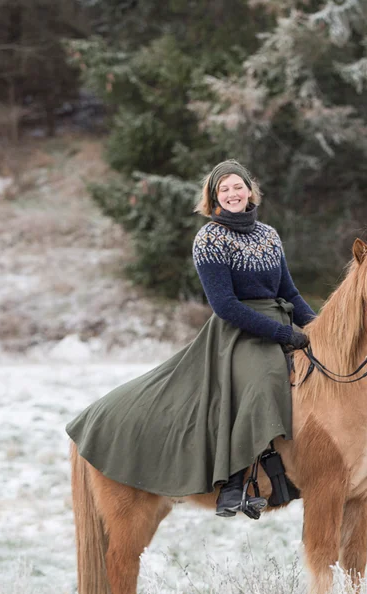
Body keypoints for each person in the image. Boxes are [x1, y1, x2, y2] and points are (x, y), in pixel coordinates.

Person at [65, 159, 316, 519]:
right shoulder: (209, 239)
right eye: (224, 189)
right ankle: (234, 482)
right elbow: (225, 305)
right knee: (263, 380)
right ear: (214, 197)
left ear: (250, 190)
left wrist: (318, 328)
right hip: (238, 332)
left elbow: (289, 291)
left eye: (237, 186)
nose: (232, 193)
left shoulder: (269, 235)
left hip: (280, 320)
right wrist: (281, 333)